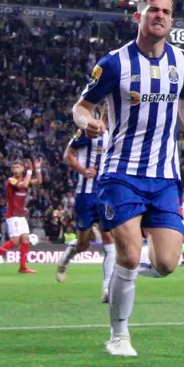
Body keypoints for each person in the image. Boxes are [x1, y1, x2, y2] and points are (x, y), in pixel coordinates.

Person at [72, 0, 184, 358]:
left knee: (167, 264)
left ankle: (123, 283)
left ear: (172, 20)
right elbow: (81, 106)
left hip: (165, 176)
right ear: (138, 16)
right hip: (121, 172)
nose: (159, 16)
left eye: (166, 12)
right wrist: (88, 122)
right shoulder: (113, 64)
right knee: (127, 254)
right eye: (152, 10)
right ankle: (119, 335)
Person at [55, 129, 114, 300]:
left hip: (107, 194)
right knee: (83, 244)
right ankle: (64, 261)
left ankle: (107, 289)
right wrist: (82, 170)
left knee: (109, 239)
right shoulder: (89, 131)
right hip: (86, 194)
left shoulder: (119, 131)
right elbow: (68, 155)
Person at [0, 160, 41, 274]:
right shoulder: (11, 180)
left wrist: (38, 169)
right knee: (15, 241)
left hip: (21, 215)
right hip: (13, 215)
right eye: (14, 167)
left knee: (25, 239)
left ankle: (22, 267)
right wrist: (30, 171)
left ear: (22, 169)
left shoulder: (24, 179)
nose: (15, 169)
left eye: (18, 167)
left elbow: (39, 182)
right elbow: (24, 185)